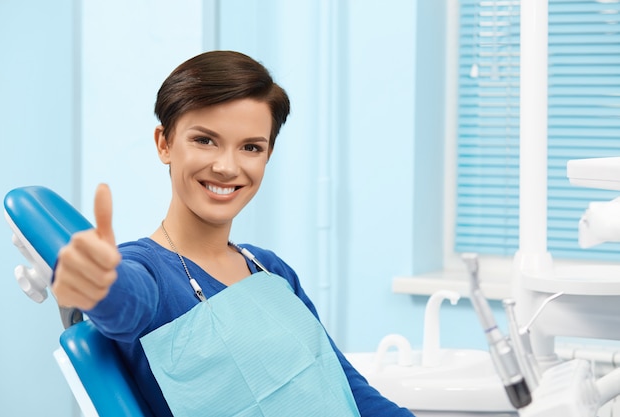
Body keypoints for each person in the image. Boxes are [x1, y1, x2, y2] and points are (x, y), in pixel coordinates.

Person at [53, 50, 414, 417]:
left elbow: (346, 387)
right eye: (205, 140)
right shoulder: (147, 272)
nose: (227, 167)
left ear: (267, 155)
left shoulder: (270, 269)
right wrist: (100, 282)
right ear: (164, 143)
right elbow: (126, 302)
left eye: (251, 147)